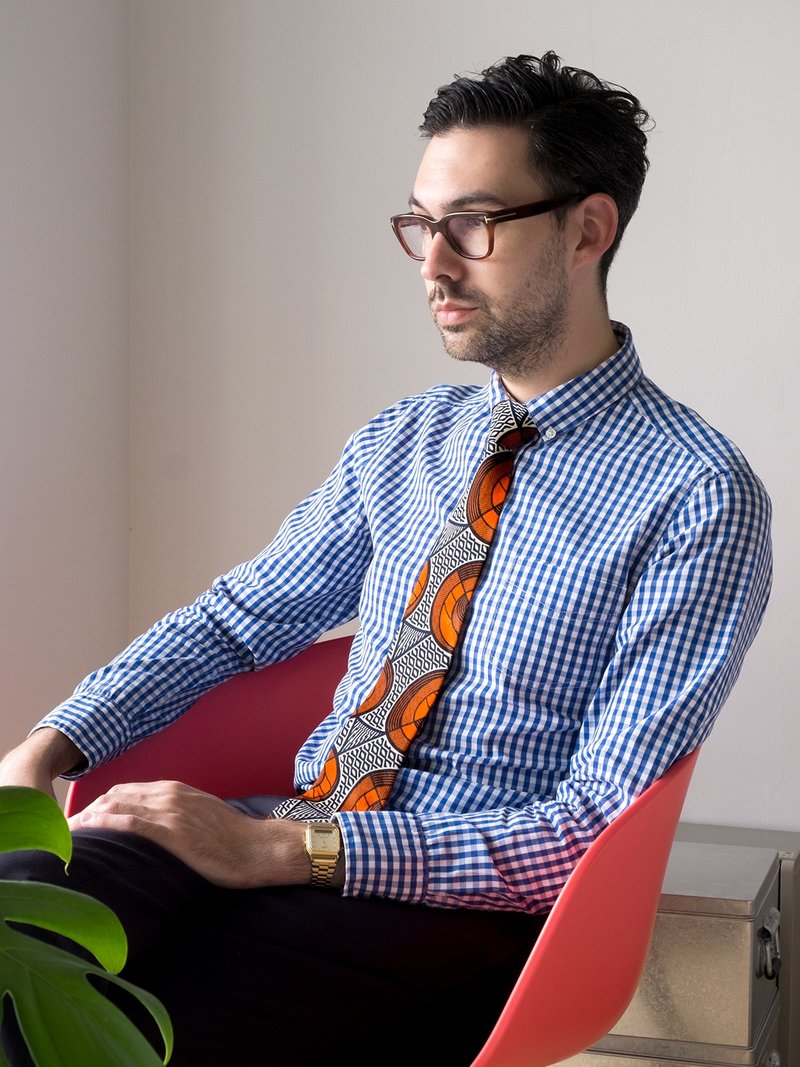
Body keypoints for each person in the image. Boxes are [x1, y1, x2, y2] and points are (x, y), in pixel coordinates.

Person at [0, 51, 772, 1065]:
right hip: (276, 823)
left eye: (473, 224)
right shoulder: (401, 439)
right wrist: (49, 746)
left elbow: (586, 829)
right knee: (16, 939)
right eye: (420, 222)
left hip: (451, 910)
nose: (433, 263)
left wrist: (291, 850)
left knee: (100, 1037)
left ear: (587, 228)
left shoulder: (696, 496)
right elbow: (239, 619)